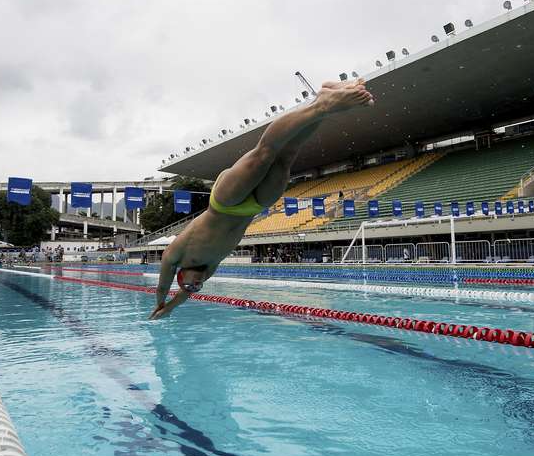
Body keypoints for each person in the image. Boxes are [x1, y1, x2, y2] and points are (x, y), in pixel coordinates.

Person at [150, 78, 374, 319]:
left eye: (192, 285)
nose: (198, 285)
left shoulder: (176, 254)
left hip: (224, 203)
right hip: (253, 207)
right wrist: (171, 309)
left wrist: (161, 303)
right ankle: (323, 99)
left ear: (181, 276)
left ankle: (323, 105)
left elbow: (164, 285)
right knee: (286, 157)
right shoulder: (210, 268)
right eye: (198, 288)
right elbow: (185, 295)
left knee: (265, 153)